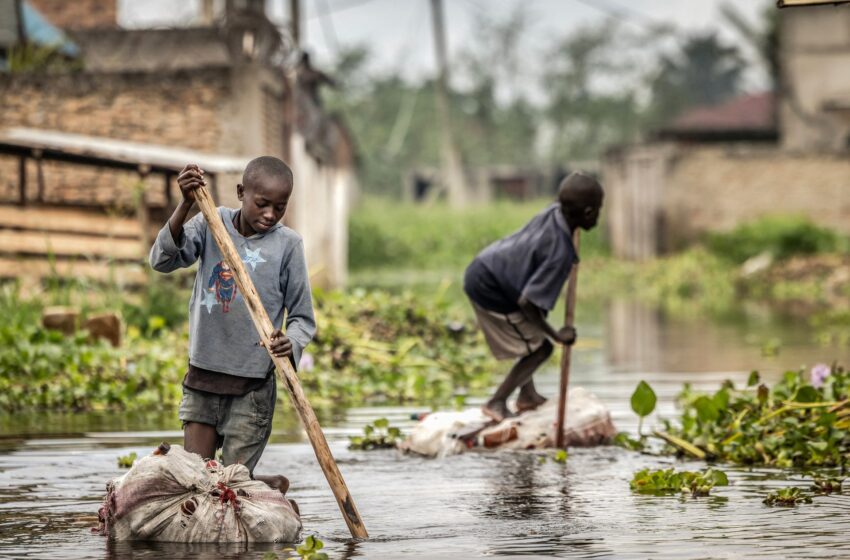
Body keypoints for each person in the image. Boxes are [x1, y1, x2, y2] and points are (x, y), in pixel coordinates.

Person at [149, 156, 315, 496]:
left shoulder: (288, 246)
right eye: (262, 204)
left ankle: (256, 486)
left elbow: (302, 318)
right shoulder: (211, 223)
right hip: (203, 378)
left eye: (279, 207)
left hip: (252, 388)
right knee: (197, 484)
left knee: (229, 489)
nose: (270, 214)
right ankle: (266, 485)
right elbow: (162, 260)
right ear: (241, 192)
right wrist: (186, 204)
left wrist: (292, 342)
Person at [463, 172, 604, 422]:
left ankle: (527, 396)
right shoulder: (559, 252)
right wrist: (557, 335)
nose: (599, 216)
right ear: (587, 212)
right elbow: (527, 304)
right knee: (541, 349)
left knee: (529, 338)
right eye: (598, 210)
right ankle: (496, 401)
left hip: (493, 271)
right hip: (490, 285)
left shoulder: (555, 211)